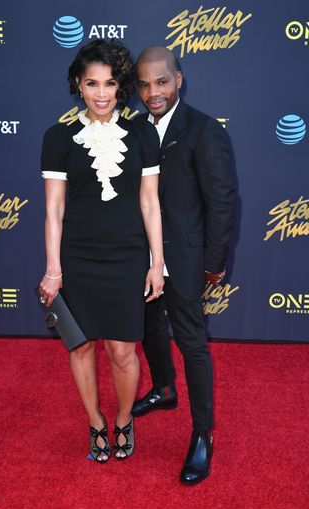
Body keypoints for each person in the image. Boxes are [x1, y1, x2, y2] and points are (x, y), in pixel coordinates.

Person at [39, 39, 164, 464]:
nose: (101, 93)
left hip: (128, 256)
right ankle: (95, 421)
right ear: (78, 83)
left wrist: (157, 263)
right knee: (80, 347)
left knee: (123, 349)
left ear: (120, 87)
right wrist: (54, 270)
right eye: (92, 83)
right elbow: (54, 209)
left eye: (110, 84)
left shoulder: (142, 133)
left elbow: (150, 202)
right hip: (78, 257)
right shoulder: (58, 137)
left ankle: (124, 418)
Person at [132, 46, 236, 484]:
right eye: (143, 84)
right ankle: (163, 388)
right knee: (150, 326)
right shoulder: (133, 129)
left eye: (161, 81)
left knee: (192, 344)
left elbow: (223, 200)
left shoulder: (205, 130)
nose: (153, 92)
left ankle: (202, 434)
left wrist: (212, 263)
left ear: (179, 79)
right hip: (141, 258)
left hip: (186, 259)